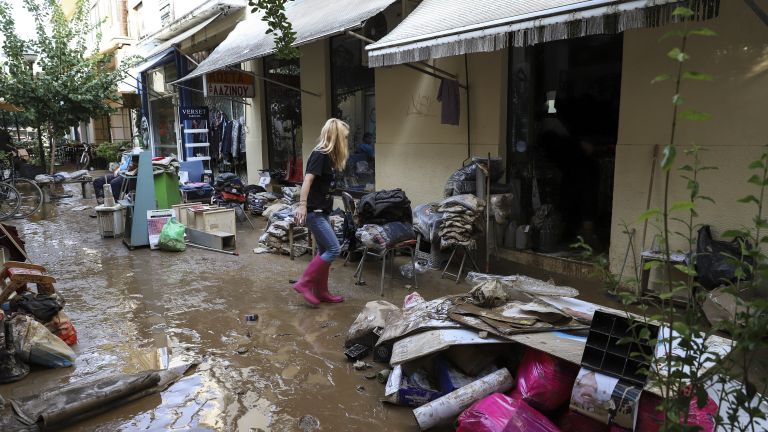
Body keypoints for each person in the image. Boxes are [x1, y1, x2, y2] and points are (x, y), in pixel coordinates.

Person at [292, 118, 349, 305]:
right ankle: (304, 283)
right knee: (334, 249)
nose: (346, 141)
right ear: (337, 137)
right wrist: (302, 205)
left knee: (324, 250)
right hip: (314, 212)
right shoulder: (320, 154)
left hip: (322, 211)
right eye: (345, 137)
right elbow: (307, 180)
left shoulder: (330, 158)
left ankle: (322, 291)